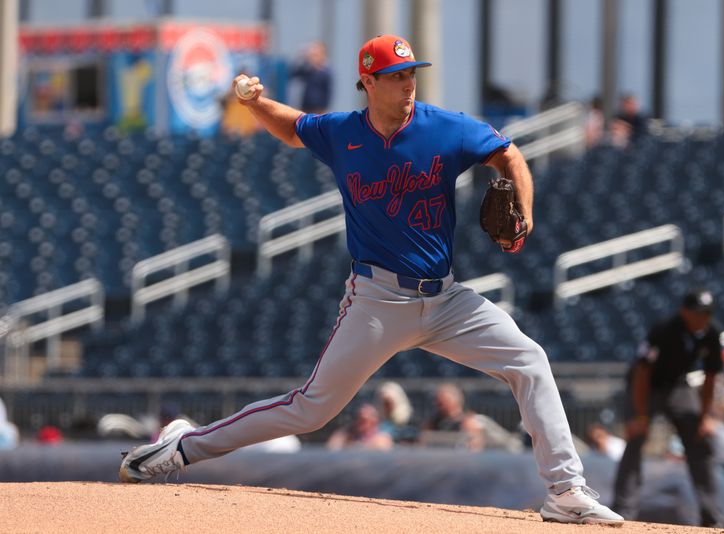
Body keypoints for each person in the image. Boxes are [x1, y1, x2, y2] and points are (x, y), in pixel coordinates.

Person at [119, 34, 623, 526]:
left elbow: (508, 153)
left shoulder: (445, 128)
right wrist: (255, 102)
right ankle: (183, 448)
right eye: (396, 76)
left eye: (411, 74)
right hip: (378, 300)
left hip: (446, 300)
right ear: (368, 81)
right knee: (311, 410)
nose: (408, 85)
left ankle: (565, 491)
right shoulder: (343, 133)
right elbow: (293, 127)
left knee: (529, 359)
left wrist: (526, 212)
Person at [613, 289, 724, 527]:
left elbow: (711, 376)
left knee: (699, 442)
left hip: (678, 386)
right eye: (698, 313)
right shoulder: (664, 329)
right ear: (685, 311)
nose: (703, 318)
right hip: (647, 385)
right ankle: (622, 511)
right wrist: (640, 416)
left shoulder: (711, 333)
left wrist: (705, 416)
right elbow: (642, 372)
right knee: (636, 437)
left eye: (707, 313)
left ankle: (711, 517)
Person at [326, 403, 393, 451]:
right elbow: (332, 448)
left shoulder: (382, 438)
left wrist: (357, 446)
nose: (359, 422)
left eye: (364, 420)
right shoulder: (345, 435)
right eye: (357, 418)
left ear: (374, 421)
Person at [290, 41, 333, 114]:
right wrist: (301, 58)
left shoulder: (326, 73)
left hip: (319, 110)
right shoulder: (307, 70)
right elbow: (293, 73)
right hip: (305, 108)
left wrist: (324, 109)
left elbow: (328, 93)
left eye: (316, 55)